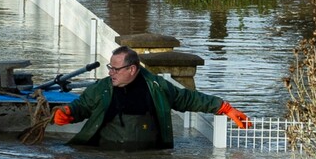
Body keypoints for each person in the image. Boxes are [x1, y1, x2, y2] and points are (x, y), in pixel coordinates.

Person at [53, 46, 252, 150]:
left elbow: (188, 99)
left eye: (115, 69)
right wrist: (67, 113)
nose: (111, 73)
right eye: (110, 68)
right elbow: (82, 107)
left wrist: (224, 108)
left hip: (149, 157)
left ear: (132, 69)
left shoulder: (157, 87)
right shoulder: (101, 88)